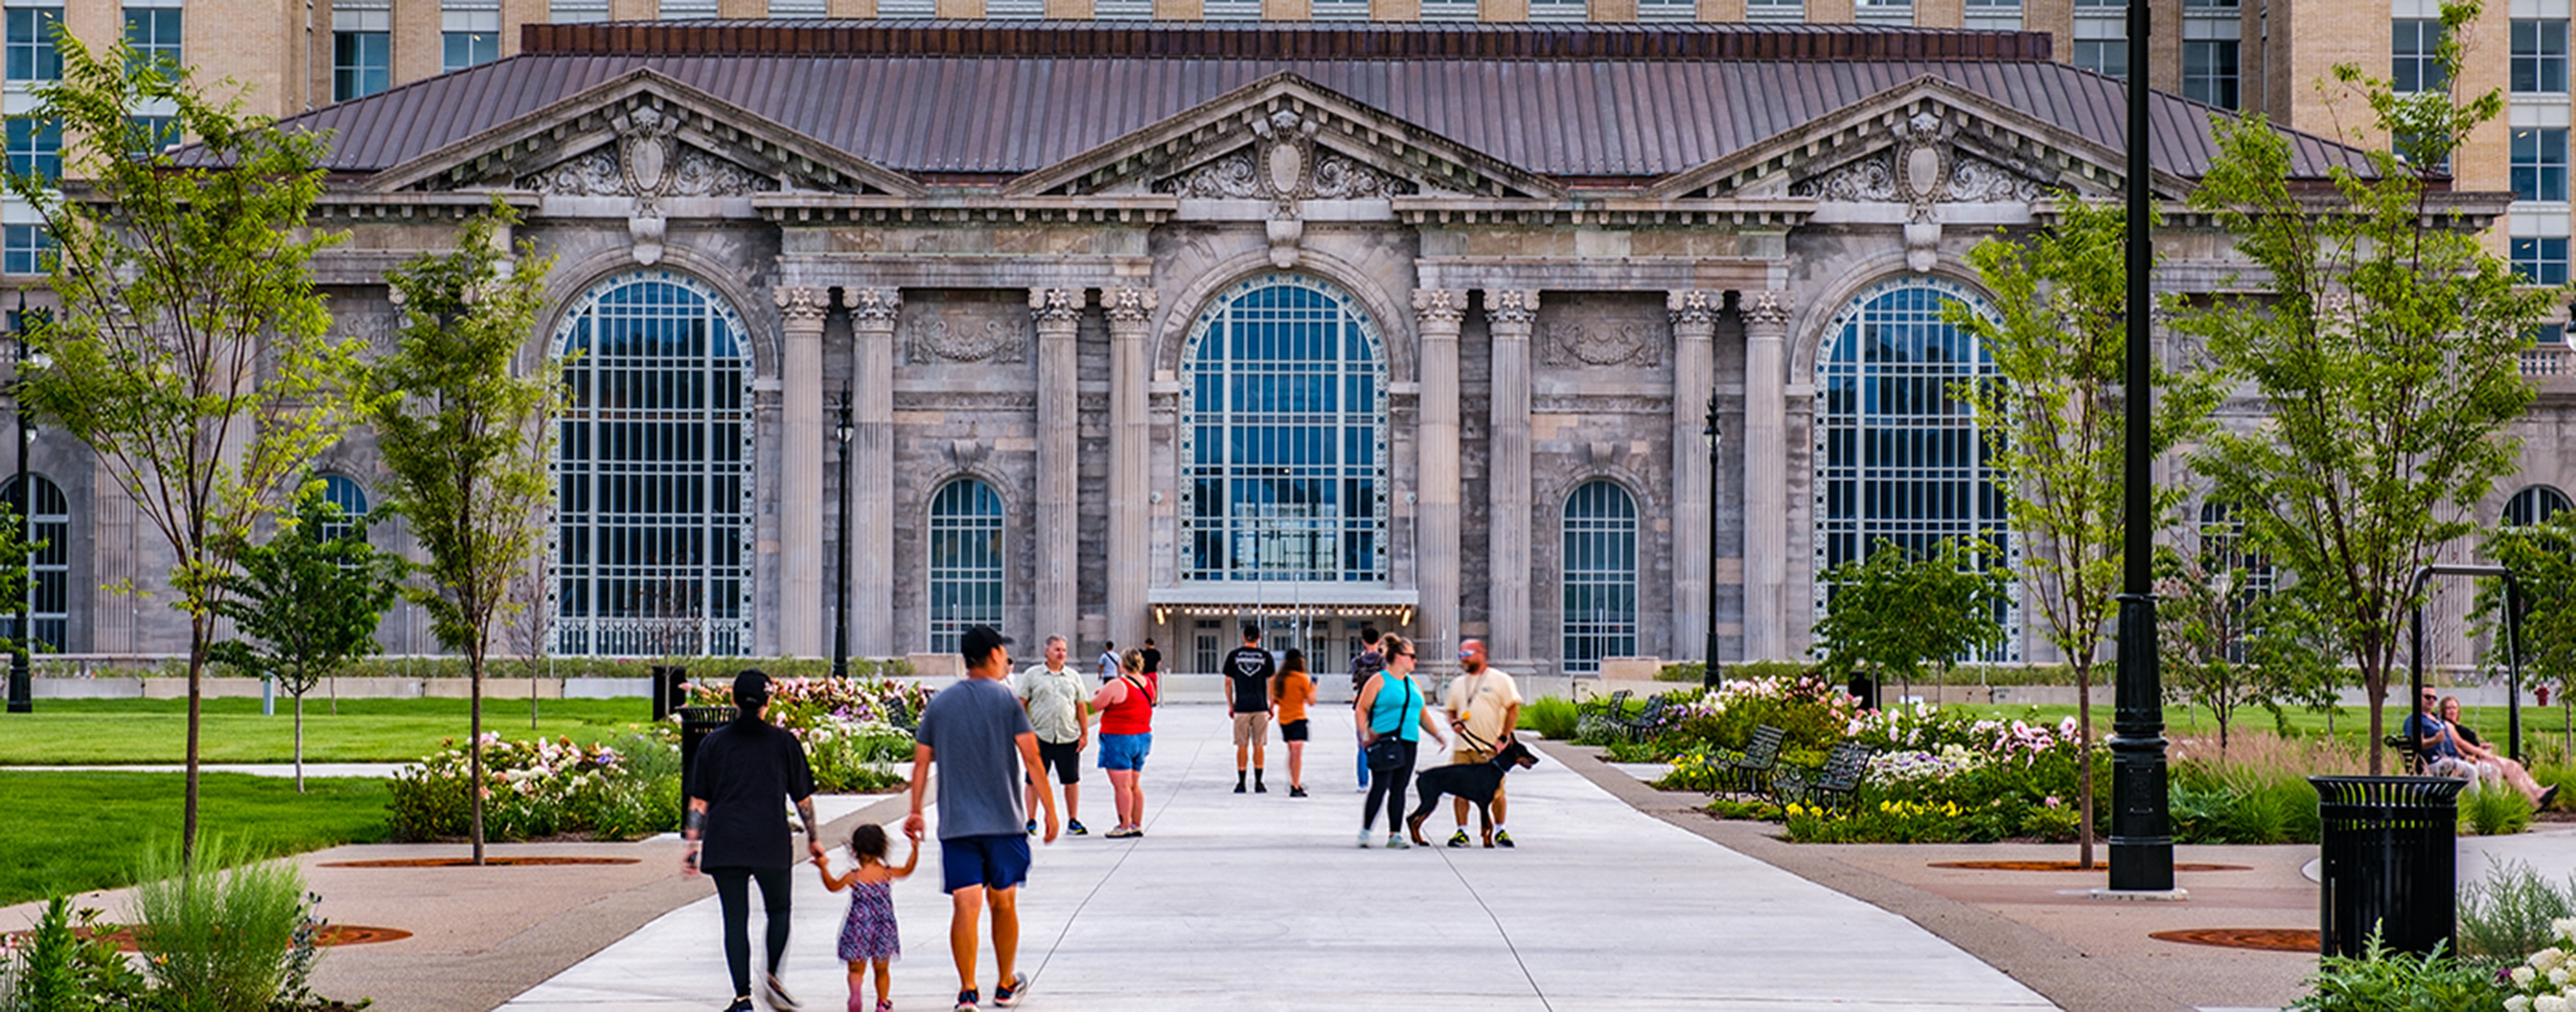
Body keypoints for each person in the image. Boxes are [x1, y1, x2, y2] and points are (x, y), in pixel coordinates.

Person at [907, 626, 1057, 1012]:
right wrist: (1051, 810)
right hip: (1004, 822)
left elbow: (921, 761)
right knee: (1003, 903)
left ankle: (968, 991)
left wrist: (914, 811)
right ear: (993, 654)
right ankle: (1005, 985)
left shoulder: (940, 704)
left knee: (965, 905)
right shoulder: (1006, 701)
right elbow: (1032, 757)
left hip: (957, 825)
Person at [684, 670, 823, 1012]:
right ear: (767, 702)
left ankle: (743, 998)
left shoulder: (713, 743)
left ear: (732, 700)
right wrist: (814, 839)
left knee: (735, 918)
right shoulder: (784, 742)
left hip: (725, 840)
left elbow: (699, 802)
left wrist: (691, 844)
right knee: (779, 910)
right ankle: (773, 977)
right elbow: (802, 800)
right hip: (769, 840)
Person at [820, 823, 919, 1012]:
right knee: (882, 969)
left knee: (856, 969)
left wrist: (823, 867)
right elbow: (907, 869)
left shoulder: (854, 876)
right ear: (883, 848)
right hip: (883, 927)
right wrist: (914, 848)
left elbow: (832, 886)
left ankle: (856, 991)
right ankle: (883, 1002)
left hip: (858, 927)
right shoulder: (887, 873)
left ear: (854, 850)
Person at [1356, 634, 1443, 849]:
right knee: (1380, 785)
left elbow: (1422, 714)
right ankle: (1366, 831)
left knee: (1400, 788)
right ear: (1398, 657)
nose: (1415, 660)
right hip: (1385, 740)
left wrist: (1436, 735)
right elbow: (1362, 708)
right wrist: (1365, 732)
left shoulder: (1414, 684)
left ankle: (1395, 834)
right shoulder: (1379, 680)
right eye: (1411, 656)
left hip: (1409, 741)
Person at [1443, 638, 1524, 847]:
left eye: (1467, 655)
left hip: (1489, 747)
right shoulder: (1458, 683)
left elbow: (1513, 709)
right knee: (1460, 791)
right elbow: (1451, 710)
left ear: (1481, 653)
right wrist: (1454, 722)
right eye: (1461, 656)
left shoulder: (1500, 679)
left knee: (1496, 792)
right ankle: (1461, 832)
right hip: (1463, 748)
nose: (1464, 660)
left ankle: (1500, 830)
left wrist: (1504, 737)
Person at [1012, 636, 1091, 836]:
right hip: (1040, 736)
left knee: (1071, 780)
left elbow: (1081, 705)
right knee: (1034, 780)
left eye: (1063, 650)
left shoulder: (1073, 676)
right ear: (1046, 651)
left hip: (1067, 736)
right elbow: (1021, 703)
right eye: (1057, 649)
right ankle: (1030, 820)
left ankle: (1073, 820)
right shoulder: (1033, 675)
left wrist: (1084, 733)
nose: (1061, 653)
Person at [2442, 696, 2557, 807]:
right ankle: (2533, 799)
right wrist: (2479, 752)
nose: (2452, 711)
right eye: (2448, 708)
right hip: (2474, 758)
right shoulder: (2446, 725)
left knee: (2514, 765)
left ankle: (2536, 792)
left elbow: (2466, 741)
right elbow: (2458, 743)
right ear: (2443, 710)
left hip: (2478, 754)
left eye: (2454, 708)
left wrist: (2482, 746)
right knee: (2511, 766)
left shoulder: (2456, 725)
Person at [1091, 648, 1157, 837]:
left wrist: (1078, 707)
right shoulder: (1148, 684)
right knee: (1134, 785)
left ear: (1122, 665)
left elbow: (1094, 707)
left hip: (1119, 737)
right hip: (1142, 737)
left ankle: (1123, 825)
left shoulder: (1117, 684)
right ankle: (1136, 824)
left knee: (1122, 786)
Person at [1224, 623, 1276, 794]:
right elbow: (1272, 682)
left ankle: (1241, 782)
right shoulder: (1266, 656)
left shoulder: (1234, 655)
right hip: (1260, 706)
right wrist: (1271, 704)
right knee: (1259, 744)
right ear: (1259, 638)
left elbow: (1228, 682)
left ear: (1243, 636)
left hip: (1241, 706)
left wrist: (1231, 705)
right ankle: (1259, 783)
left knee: (1242, 745)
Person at [2402, 688, 2481, 781]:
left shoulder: (2437, 719)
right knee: (2471, 770)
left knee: (2487, 768)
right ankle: (2471, 796)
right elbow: (2417, 744)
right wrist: (2434, 740)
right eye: (2428, 697)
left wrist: (2464, 756)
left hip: (2451, 758)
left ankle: (2493, 794)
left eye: (2434, 698)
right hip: (2432, 762)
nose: (2431, 700)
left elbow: (2452, 743)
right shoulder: (2415, 719)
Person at [1272, 648, 1316, 798]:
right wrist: (1314, 688)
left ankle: (1293, 781)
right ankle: (1295, 785)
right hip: (1298, 717)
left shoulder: (1279, 679)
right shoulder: (1302, 678)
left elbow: (1274, 699)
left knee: (1292, 752)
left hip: (1284, 718)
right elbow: (1311, 701)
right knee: (1297, 753)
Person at [1349, 625, 1385, 794]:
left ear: (1363, 642)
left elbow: (1355, 683)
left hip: (1362, 706)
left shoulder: (1356, 662)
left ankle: (1363, 782)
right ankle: (1381, 778)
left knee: (1363, 743)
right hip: (1381, 705)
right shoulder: (1384, 661)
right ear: (1378, 640)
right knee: (1382, 742)